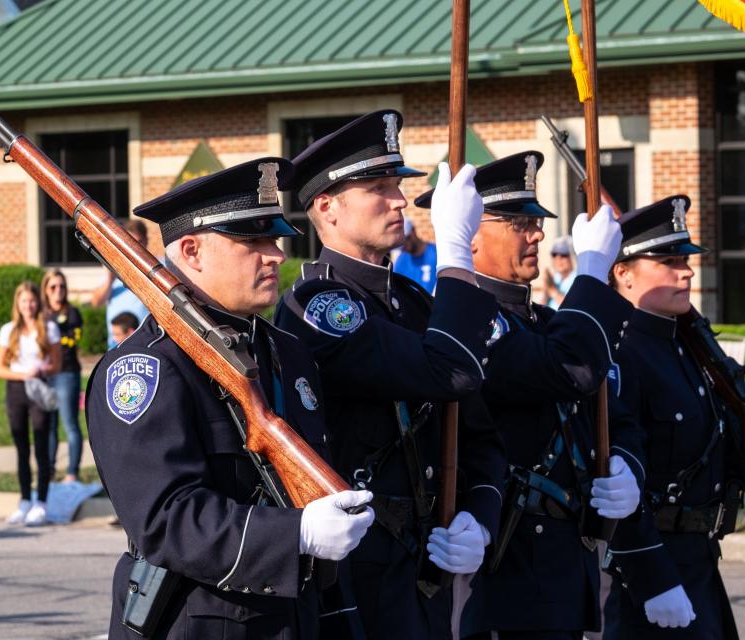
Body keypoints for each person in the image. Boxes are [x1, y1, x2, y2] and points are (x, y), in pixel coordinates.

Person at [86, 158, 374, 640]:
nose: (276, 255)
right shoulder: (147, 368)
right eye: (252, 241)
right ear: (193, 250)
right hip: (200, 623)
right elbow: (163, 518)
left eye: (275, 238)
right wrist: (294, 534)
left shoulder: (287, 352)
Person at [275, 110, 506, 639]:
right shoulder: (318, 304)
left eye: (397, 186)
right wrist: (454, 252)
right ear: (327, 208)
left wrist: (480, 513)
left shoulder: (411, 300)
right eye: (379, 188)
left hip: (426, 565)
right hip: (361, 572)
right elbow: (448, 372)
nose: (401, 201)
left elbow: (480, 435)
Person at [415, 151, 644, 640]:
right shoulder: (470, 327)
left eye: (536, 221)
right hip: (506, 569)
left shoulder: (542, 321)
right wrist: (593, 270)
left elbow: (616, 416)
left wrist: (628, 464)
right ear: (471, 231)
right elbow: (566, 371)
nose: (538, 234)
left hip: (561, 567)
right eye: (520, 222)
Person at [602, 195, 745, 639]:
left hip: (700, 562)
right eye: (668, 261)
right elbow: (613, 483)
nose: (686, 271)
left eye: (685, 259)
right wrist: (653, 578)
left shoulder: (688, 348)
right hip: (643, 578)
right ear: (622, 272)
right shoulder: (618, 354)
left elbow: (733, 443)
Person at [0, 281, 61, 526]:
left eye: (31, 301)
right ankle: (24, 500)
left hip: (39, 388)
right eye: (24, 301)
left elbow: (57, 363)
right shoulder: (8, 330)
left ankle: (41, 503)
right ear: (18, 304)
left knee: (41, 445)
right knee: (21, 447)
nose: (28, 306)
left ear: (37, 303)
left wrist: (41, 369)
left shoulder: (49, 328)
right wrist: (23, 374)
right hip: (17, 389)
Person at [41, 269, 83, 483]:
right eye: (53, 287)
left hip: (67, 374)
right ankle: (47, 472)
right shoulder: (42, 314)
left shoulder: (73, 313)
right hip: (46, 376)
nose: (58, 291)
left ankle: (72, 473)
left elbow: (72, 340)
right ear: (46, 290)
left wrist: (54, 332)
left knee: (70, 425)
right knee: (49, 427)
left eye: (62, 286)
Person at [91, 218, 150, 350]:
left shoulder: (159, 267)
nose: (135, 247)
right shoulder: (114, 267)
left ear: (146, 240)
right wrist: (109, 280)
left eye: (139, 242)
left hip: (145, 341)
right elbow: (96, 302)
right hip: (116, 343)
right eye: (131, 242)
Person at [393, 217, 437, 294]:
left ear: (413, 231)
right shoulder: (401, 261)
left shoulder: (437, 253)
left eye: (405, 240)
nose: (403, 248)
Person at [540, 235, 576, 310]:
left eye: (563, 255)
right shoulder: (555, 279)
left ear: (572, 256)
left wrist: (552, 290)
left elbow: (573, 308)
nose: (558, 259)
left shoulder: (579, 279)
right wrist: (546, 289)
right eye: (554, 254)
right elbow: (542, 307)